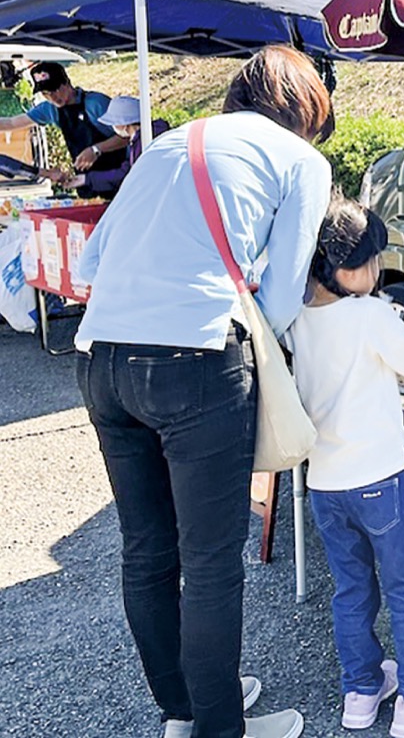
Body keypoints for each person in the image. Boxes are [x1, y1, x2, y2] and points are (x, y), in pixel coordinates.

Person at [73, 44, 335, 738]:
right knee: (212, 558)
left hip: (101, 360)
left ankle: (184, 707)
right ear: (305, 108)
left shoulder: (165, 144)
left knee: (146, 549)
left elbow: (90, 258)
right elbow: (278, 301)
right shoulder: (301, 160)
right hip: (195, 360)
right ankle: (221, 727)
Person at [288, 194, 404, 738]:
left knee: (351, 588)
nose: (378, 269)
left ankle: (360, 692)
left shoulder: (295, 314)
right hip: (381, 478)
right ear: (348, 267)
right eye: (373, 260)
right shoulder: (371, 314)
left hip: (324, 482)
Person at [0, 61, 125, 191]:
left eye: (55, 90)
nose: (52, 97)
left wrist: (96, 149)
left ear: (67, 83)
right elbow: (11, 123)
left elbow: (128, 136)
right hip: (87, 182)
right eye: (45, 93)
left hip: (119, 177)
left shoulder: (96, 103)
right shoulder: (49, 109)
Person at [60, 94, 170, 198]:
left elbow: (125, 176)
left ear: (124, 124)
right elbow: (126, 170)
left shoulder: (144, 142)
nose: (113, 127)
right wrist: (85, 179)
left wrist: (87, 180)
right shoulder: (142, 138)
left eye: (114, 123)